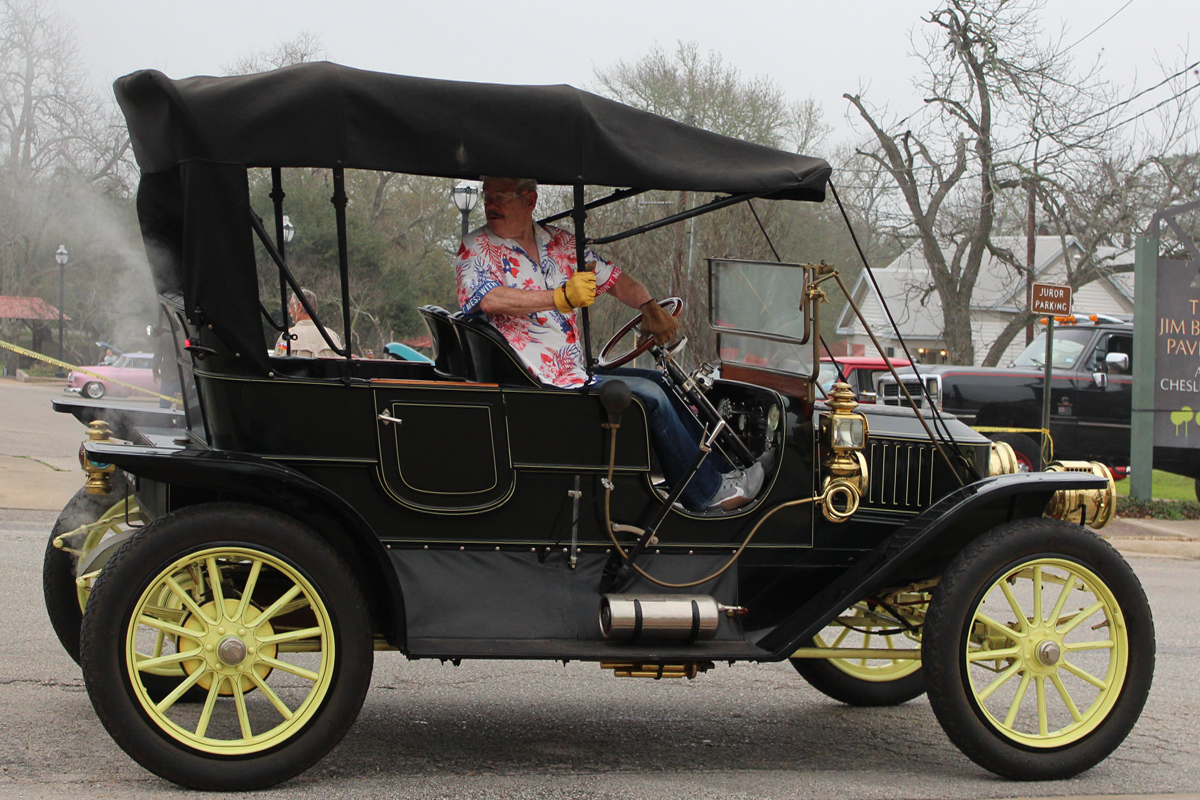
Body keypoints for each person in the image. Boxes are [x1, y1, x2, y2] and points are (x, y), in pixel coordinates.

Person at [455, 177, 763, 513]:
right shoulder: (476, 247)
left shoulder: (560, 243)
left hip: (571, 373)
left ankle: (719, 472)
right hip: (536, 384)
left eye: (500, 196)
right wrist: (558, 297)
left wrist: (649, 305)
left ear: (530, 201)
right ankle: (705, 495)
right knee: (653, 398)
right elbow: (487, 299)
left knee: (660, 381)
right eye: (487, 197)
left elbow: (612, 279)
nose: (490, 205)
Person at [274, 288, 344, 358]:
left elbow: (278, 365)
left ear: (299, 306)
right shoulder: (332, 337)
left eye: (290, 306)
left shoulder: (288, 336)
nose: (289, 311)